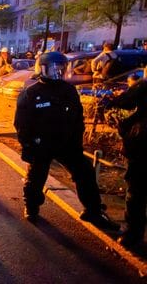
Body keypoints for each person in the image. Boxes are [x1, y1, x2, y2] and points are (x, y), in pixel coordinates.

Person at [14, 51, 119, 230]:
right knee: (35, 178)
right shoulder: (31, 93)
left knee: (85, 174)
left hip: (67, 144)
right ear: (43, 69)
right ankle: (31, 207)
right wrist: (29, 146)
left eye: (62, 69)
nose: (58, 72)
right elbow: (21, 124)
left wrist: (76, 142)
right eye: (55, 68)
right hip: (42, 145)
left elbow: (78, 118)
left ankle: (93, 211)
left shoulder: (68, 90)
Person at [106, 74, 147, 247]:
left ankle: (133, 234)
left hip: (142, 149)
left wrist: (112, 101)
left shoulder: (143, 87)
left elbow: (124, 101)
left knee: (136, 192)